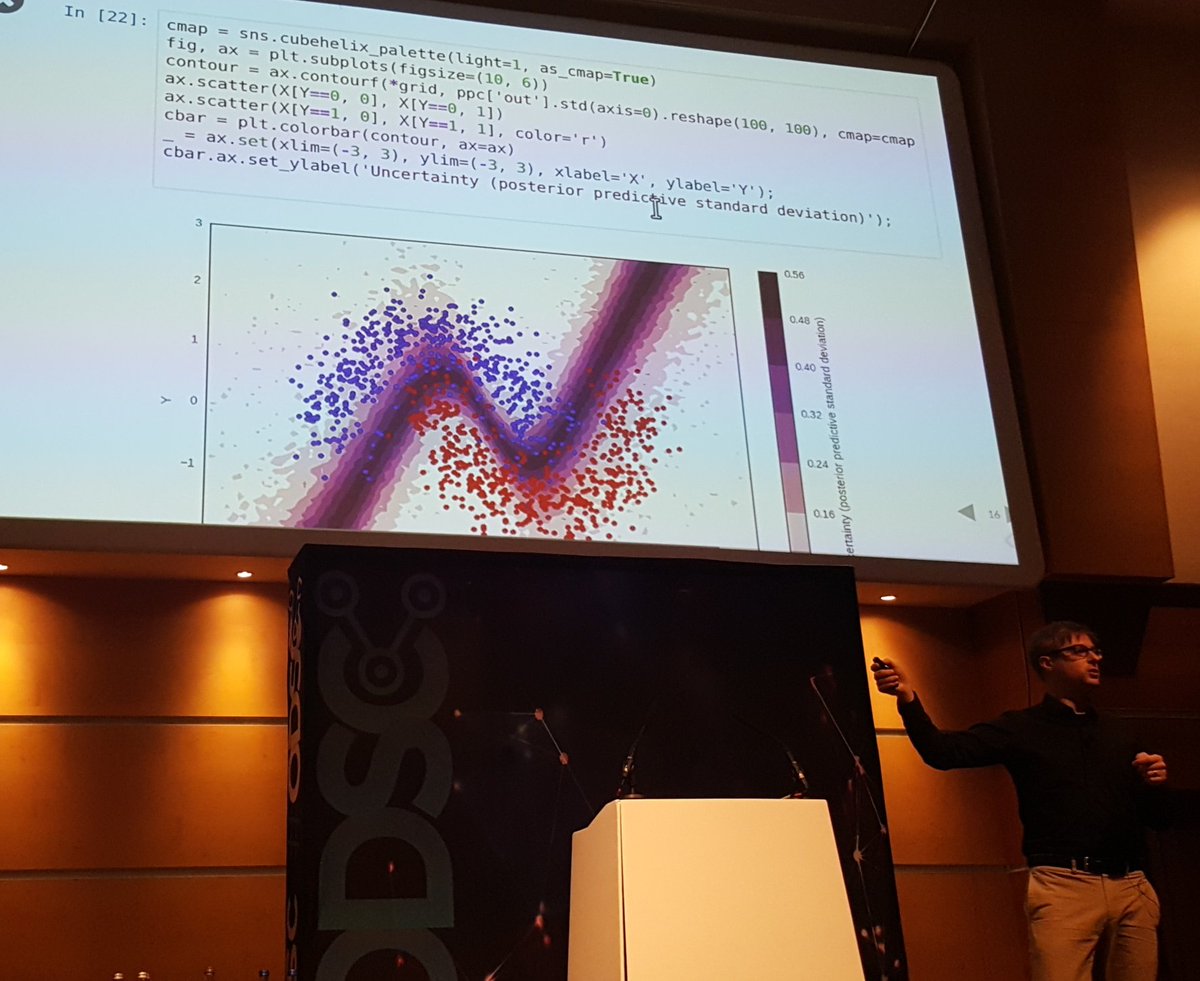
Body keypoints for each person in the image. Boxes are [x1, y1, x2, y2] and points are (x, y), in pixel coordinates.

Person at [871, 620, 1168, 981]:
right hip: (1064, 883)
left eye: (1096, 651)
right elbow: (943, 752)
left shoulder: (1120, 732)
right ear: (1047, 662)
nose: (1094, 659)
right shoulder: (1022, 728)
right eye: (1079, 651)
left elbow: (1156, 818)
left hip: (1132, 884)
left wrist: (1154, 784)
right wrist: (907, 698)